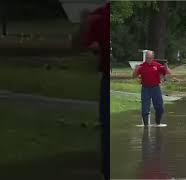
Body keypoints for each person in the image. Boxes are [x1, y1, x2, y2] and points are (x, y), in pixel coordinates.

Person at [75, 1, 110, 179]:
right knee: (108, 130)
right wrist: (85, 24)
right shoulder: (100, 16)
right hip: (108, 82)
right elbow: (82, 45)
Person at [133, 51, 171, 126]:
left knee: (160, 108)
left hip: (155, 88)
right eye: (147, 58)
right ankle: (146, 126)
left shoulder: (157, 65)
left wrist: (166, 67)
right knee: (145, 109)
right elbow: (134, 76)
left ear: (153, 58)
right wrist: (136, 69)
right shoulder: (142, 66)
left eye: (150, 58)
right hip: (145, 89)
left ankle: (158, 123)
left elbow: (169, 73)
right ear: (145, 58)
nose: (148, 59)